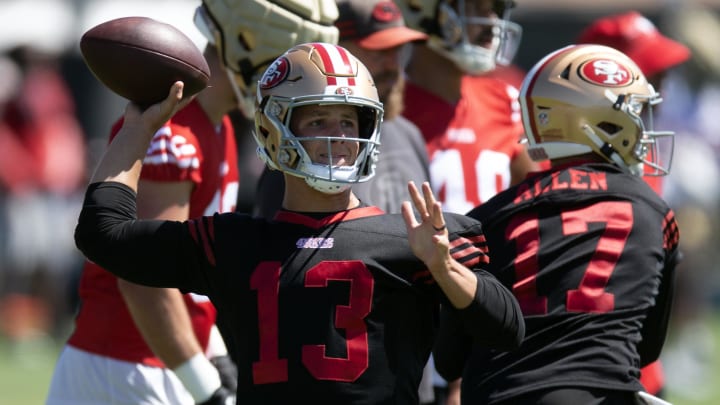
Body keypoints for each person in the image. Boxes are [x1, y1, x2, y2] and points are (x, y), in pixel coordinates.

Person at [72, 41, 524, 404]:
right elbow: (103, 235)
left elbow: (506, 331)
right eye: (318, 119)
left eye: (350, 120)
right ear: (272, 130)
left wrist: (445, 268)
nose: (339, 136)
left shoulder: (416, 240)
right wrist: (138, 129)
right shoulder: (233, 240)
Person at [46, 1, 339, 404]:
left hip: (158, 360)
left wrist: (215, 354)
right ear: (246, 47)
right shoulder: (174, 133)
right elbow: (145, 280)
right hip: (130, 365)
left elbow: (192, 281)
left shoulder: (216, 125)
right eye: (285, 66)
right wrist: (205, 386)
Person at [433, 44, 681, 405]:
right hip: (602, 395)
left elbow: (449, 360)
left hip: (503, 395)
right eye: (633, 112)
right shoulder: (653, 211)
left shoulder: (483, 222)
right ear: (597, 121)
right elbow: (647, 349)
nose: (642, 127)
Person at [576, 12, 691, 400]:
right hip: (589, 370)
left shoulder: (640, 150)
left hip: (639, 361)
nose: (658, 87)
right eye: (647, 73)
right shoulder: (565, 166)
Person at [253, 0, 431, 217]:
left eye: (398, 51)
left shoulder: (410, 135)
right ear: (337, 49)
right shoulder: (294, 153)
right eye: (379, 52)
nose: (393, 65)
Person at [396, 0, 539, 215]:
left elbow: (538, 195)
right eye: (478, 8)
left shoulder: (505, 100)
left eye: (495, 10)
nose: (492, 22)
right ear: (422, 11)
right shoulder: (388, 110)